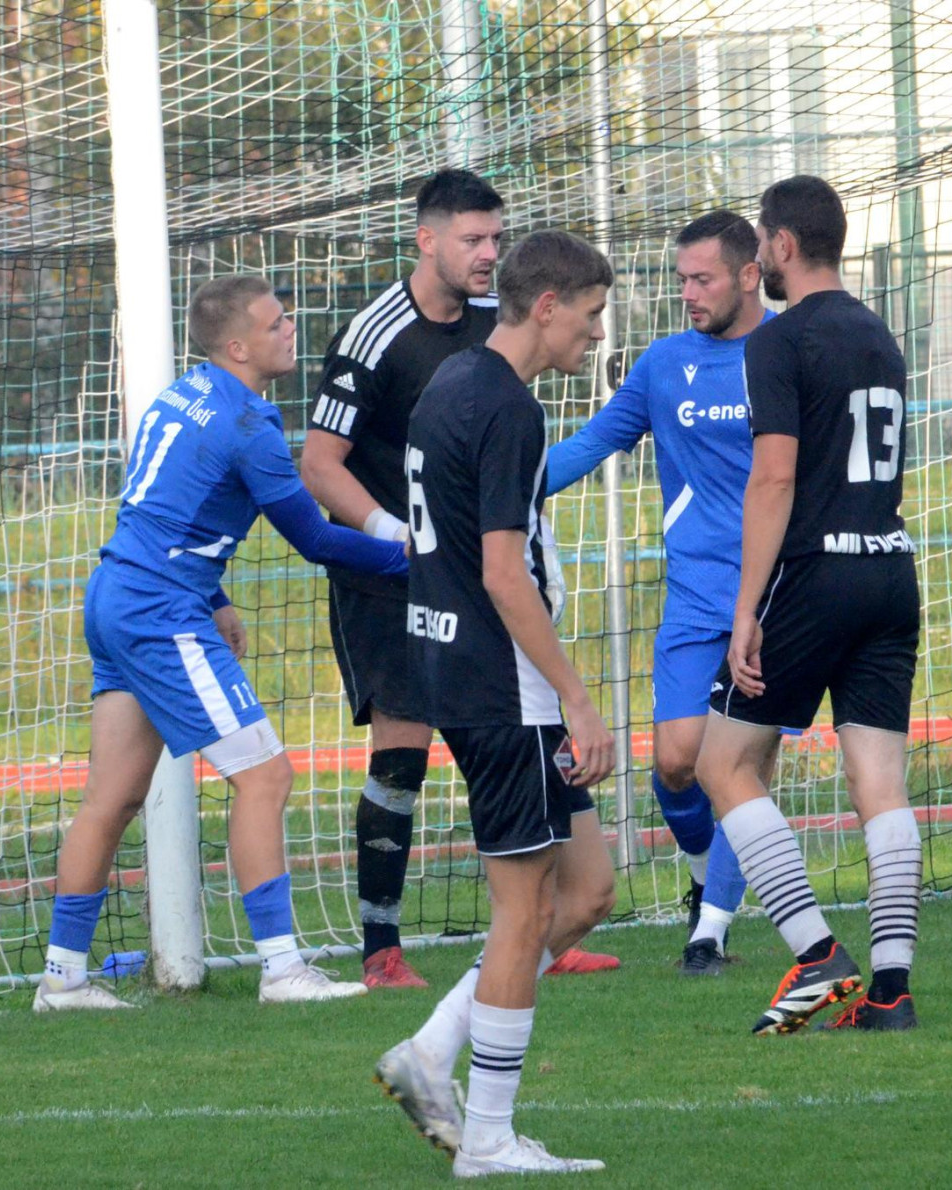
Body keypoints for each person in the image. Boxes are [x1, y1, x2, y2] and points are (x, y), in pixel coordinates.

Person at [33, 275, 408, 1011]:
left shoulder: (180, 395)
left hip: (116, 594)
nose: (290, 329)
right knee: (266, 778)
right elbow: (314, 539)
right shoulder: (247, 425)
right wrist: (412, 558)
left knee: (111, 798)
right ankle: (282, 969)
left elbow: (160, 508)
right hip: (158, 611)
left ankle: (62, 979)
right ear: (237, 346)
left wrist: (216, 596)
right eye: (275, 323)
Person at [302, 168, 617, 987]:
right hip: (397, 582)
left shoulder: (491, 336)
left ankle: (540, 927)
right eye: (472, 239)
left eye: (496, 239)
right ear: (427, 240)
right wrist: (393, 537)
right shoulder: (376, 335)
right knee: (403, 759)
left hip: (476, 584)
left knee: (549, 856)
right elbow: (319, 464)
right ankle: (385, 945)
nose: (486, 254)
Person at [373, 231, 617, 1175]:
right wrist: (577, 699)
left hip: (463, 672)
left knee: (586, 891)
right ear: (547, 305)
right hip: (504, 687)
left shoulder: (454, 380)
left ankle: (432, 1051)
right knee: (523, 910)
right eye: (591, 313)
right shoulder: (509, 407)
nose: (596, 332)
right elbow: (503, 574)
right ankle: (487, 1139)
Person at [695, 175, 922, 1034]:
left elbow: (775, 478)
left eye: (761, 242)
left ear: (783, 246)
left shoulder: (779, 340)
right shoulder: (879, 334)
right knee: (881, 785)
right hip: (890, 571)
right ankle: (891, 993)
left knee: (724, 765)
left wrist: (747, 607)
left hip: (817, 574)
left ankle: (817, 953)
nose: (758, 256)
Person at [544, 210, 768, 974]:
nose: (689, 294)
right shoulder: (665, 363)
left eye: (703, 279)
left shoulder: (788, 352)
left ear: (749, 274)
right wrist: (503, 485)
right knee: (676, 764)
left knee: (735, 766)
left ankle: (710, 933)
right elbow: (594, 440)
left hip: (777, 596)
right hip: (695, 597)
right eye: (682, 280)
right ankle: (707, 882)